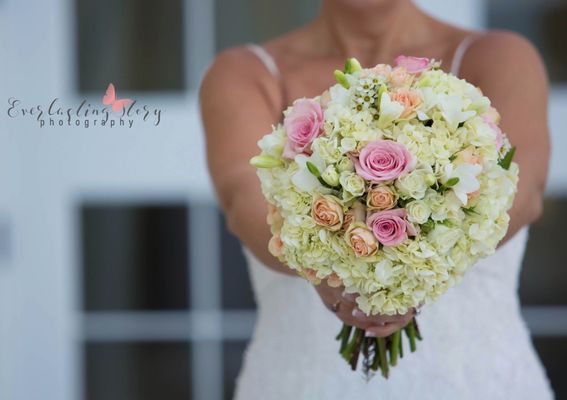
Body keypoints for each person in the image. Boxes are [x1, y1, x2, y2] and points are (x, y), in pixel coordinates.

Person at [200, 0, 553, 398]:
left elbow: (525, 188)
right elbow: (242, 194)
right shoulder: (245, 72)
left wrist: (410, 274)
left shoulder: (500, 56)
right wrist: (332, 274)